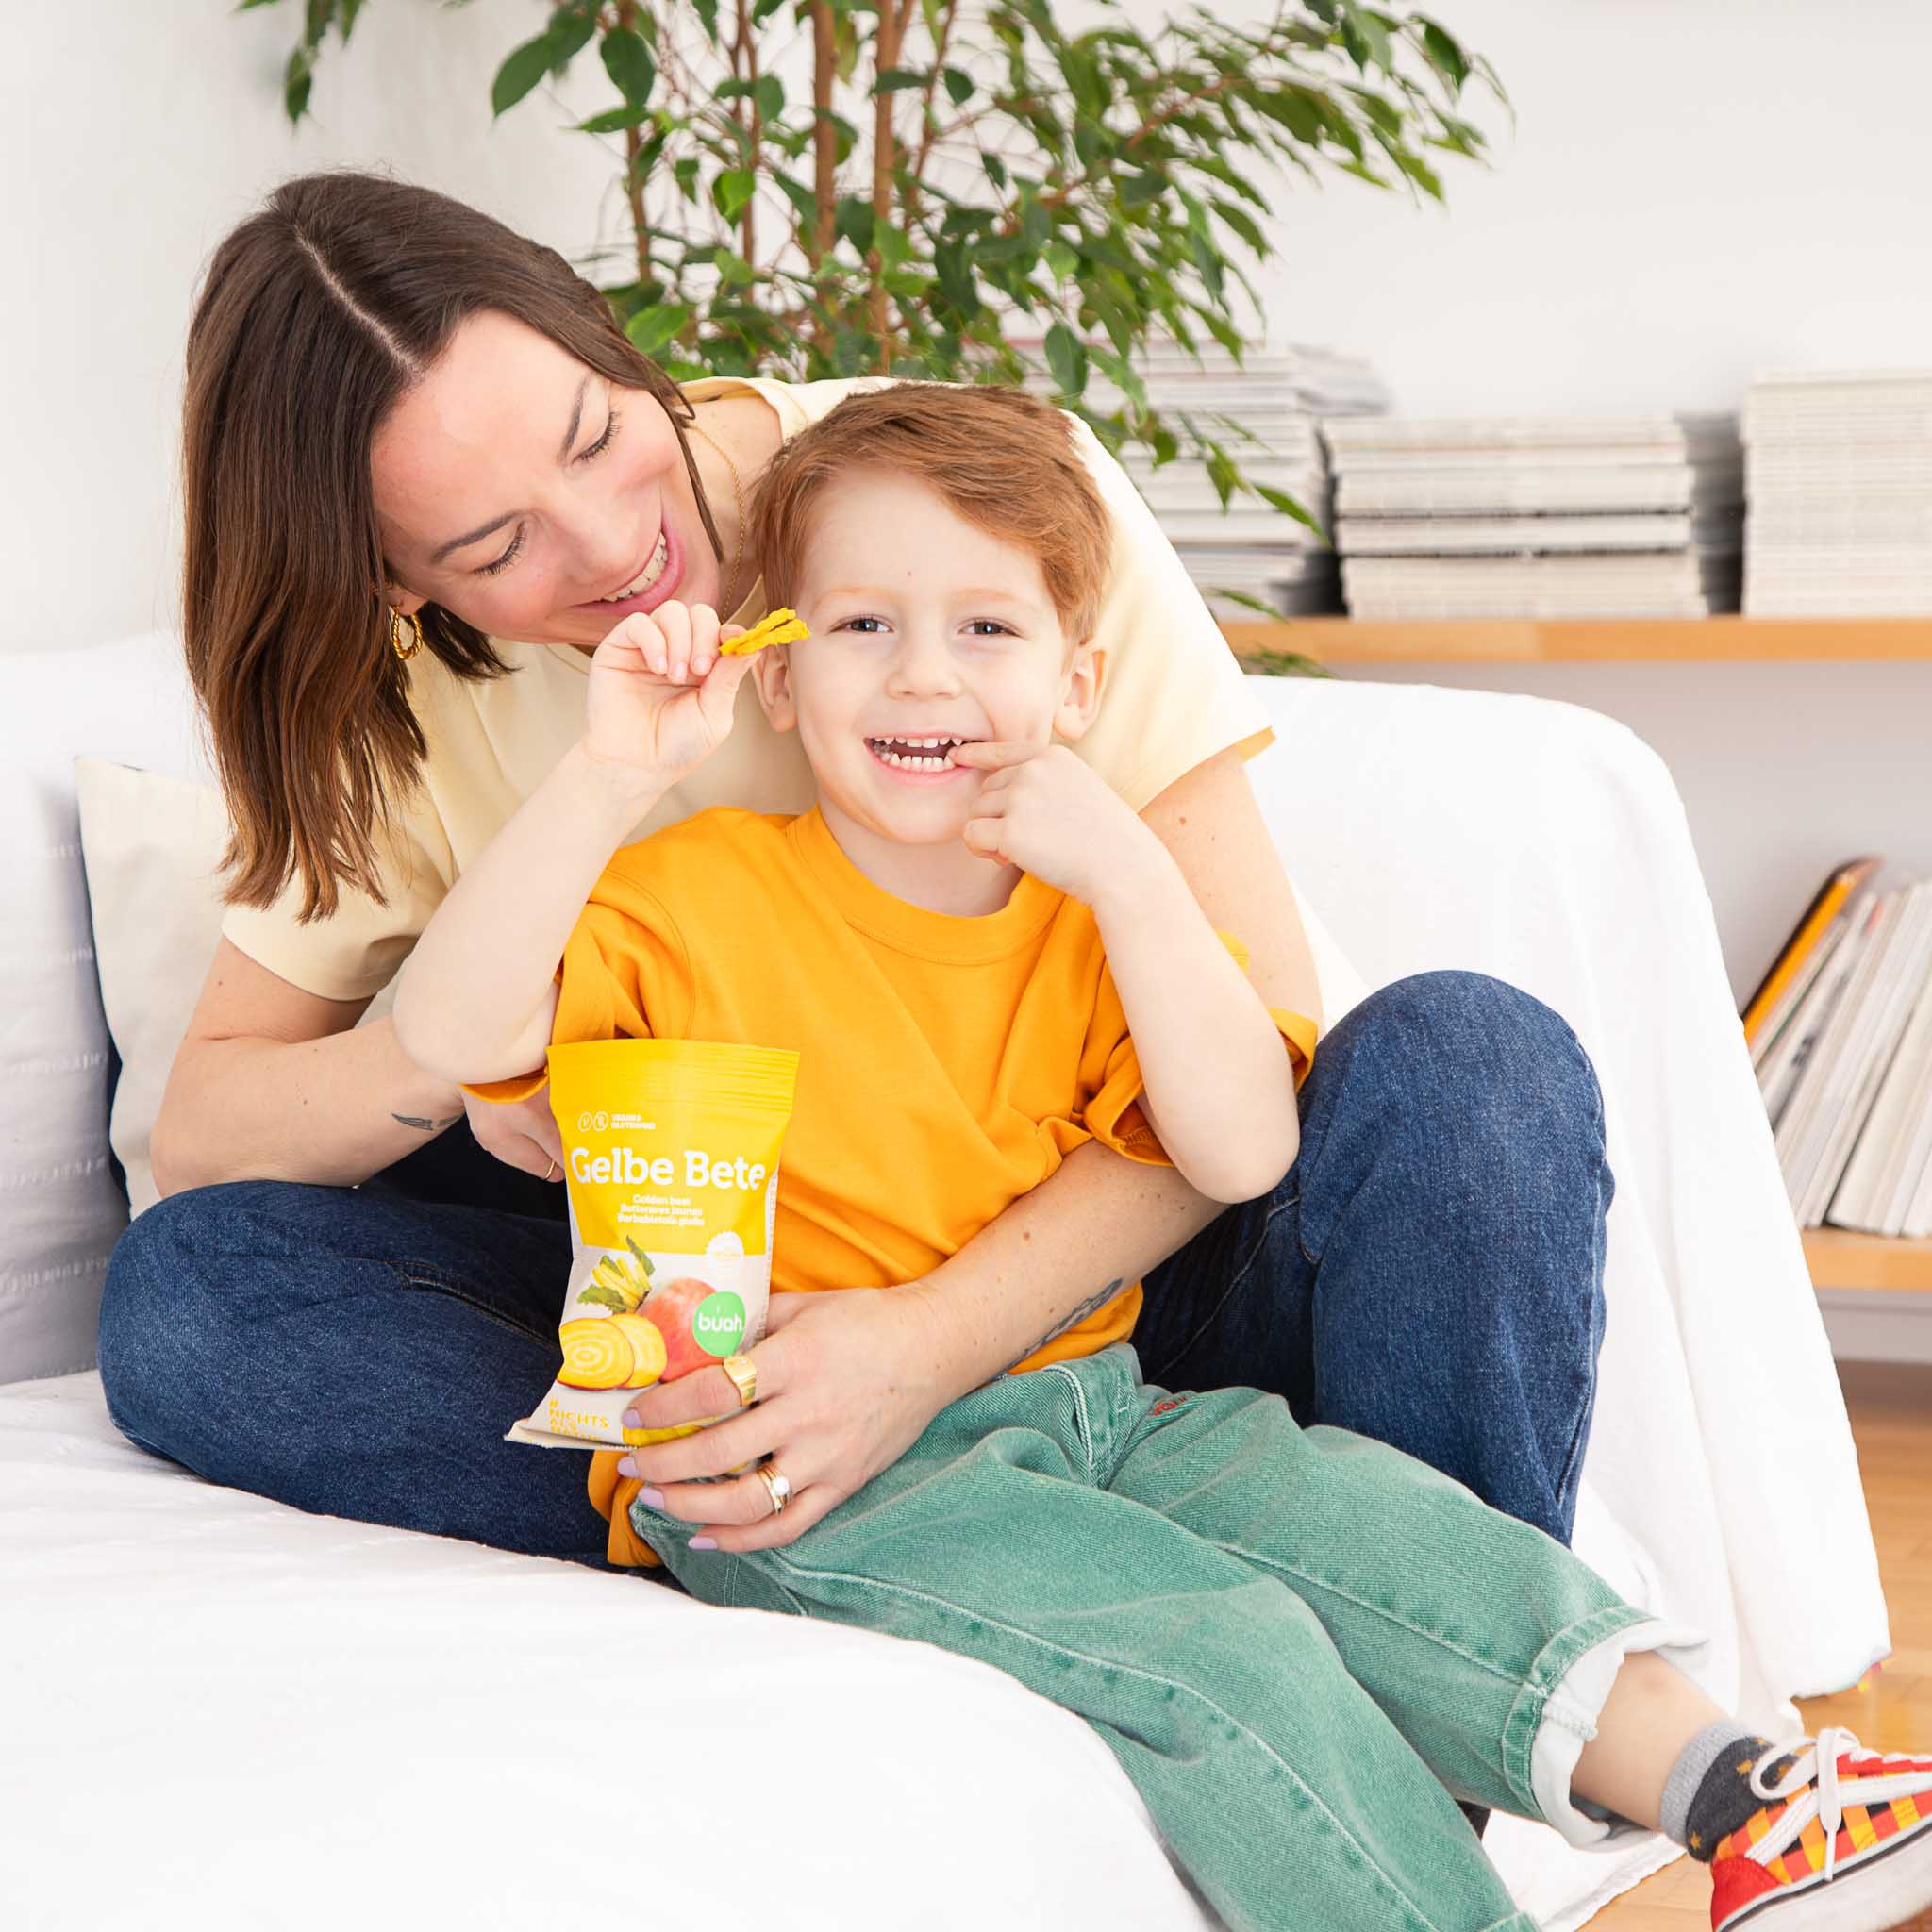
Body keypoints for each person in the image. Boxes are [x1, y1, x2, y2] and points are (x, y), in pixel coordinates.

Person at [392, 381, 1932, 1932]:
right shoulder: (689, 891)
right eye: (861, 626)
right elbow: (455, 1030)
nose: (924, 674)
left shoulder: (1091, 919)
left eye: (986, 630)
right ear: (780, 677)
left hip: (1102, 1404)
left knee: (1404, 1544)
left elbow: (1245, 1146)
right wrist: (610, 771)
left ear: (1080, 686)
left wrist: (1132, 872)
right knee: (1231, 1647)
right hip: (808, 1475)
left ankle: (1748, 1801)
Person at [101, 169, 1607, 1590]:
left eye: (592, 437)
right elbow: (211, 1128)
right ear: (394, 586)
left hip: (1129, 1292)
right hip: (733, 1321)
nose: (618, 544)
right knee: (193, 1297)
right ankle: (863, 1518)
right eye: (496, 547)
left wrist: (921, 1349)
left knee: (1477, 1067)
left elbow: (1248, 1051)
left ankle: (1406, 1684)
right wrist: (465, 1071)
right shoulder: (410, 698)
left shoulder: (980, 498)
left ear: (609, 339)